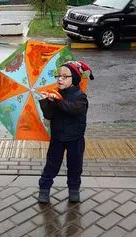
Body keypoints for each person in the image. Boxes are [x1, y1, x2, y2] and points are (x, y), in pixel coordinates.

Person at [38, 60, 93, 204]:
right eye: (58, 76)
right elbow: (49, 115)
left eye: (64, 76)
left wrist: (57, 101)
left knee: (75, 166)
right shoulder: (55, 94)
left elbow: (73, 109)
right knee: (52, 164)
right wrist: (46, 102)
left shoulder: (80, 97)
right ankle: (44, 189)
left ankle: (74, 189)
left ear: (74, 79)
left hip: (75, 138)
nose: (60, 79)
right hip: (57, 137)